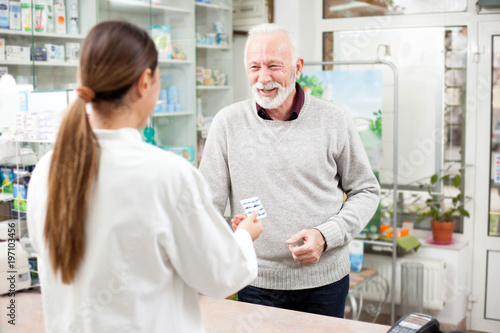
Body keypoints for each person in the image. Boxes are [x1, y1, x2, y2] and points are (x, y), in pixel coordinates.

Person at [27, 21, 263, 333]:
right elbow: (222, 276)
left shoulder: (47, 169)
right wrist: (245, 235)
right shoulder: (167, 175)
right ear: (145, 81)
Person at [199, 23, 380, 318]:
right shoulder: (227, 124)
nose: (263, 78)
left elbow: (367, 190)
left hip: (326, 283)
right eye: (254, 67)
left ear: (297, 67)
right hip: (255, 281)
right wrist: (234, 243)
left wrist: (325, 236)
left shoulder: (334, 120)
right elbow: (206, 206)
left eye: (274, 66)